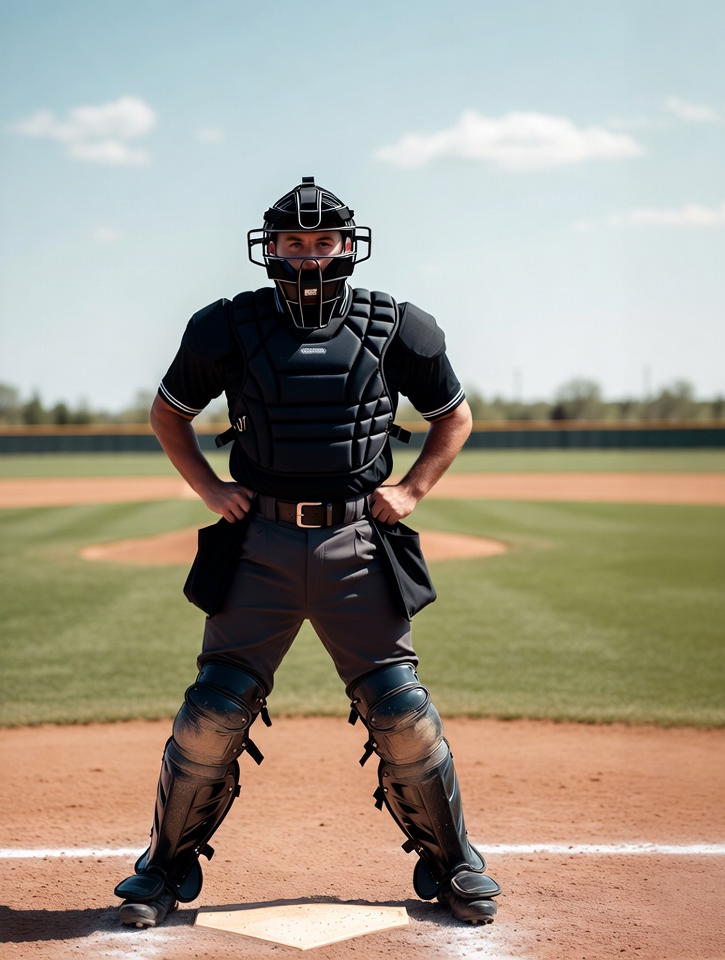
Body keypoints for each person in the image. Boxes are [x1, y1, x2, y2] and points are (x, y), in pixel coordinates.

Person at [115, 177, 501, 928]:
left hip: (359, 542)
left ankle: (454, 862)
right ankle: (164, 867)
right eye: (294, 243)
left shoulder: (398, 325)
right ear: (271, 250)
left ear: (348, 247)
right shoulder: (226, 325)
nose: (309, 256)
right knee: (211, 714)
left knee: (401, 714)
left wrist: (414, 490)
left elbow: (453, 418)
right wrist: (208, 489)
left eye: (324, 242)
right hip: (258, 545)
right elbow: (169, 414)